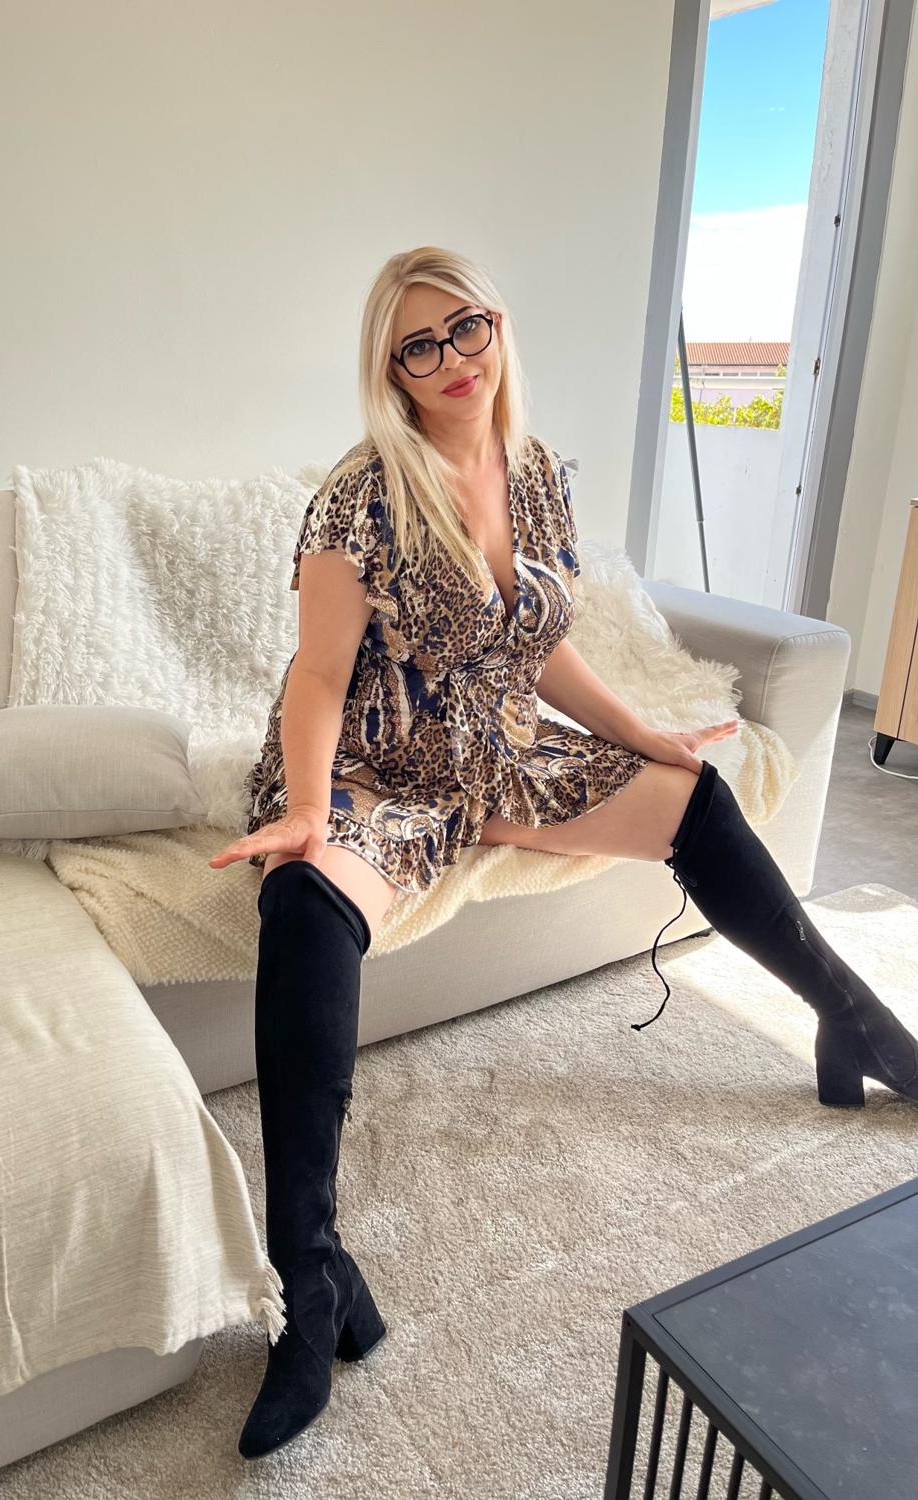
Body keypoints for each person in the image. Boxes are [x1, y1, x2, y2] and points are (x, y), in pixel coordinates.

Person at [209, 245, 918, 1461]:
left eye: (466, 328)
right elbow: (320, 672)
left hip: (501, 753)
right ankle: (309, 1277)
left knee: (697, 800)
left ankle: (851, 1020)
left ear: (498, 326)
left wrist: (647, 735)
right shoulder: (360, 494)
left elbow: (542, 652)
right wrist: (313, 810)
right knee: (306, 904)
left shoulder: (535, 472)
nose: (451, 360)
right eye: (418, 345)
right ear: (391, 369)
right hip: (382, 763)